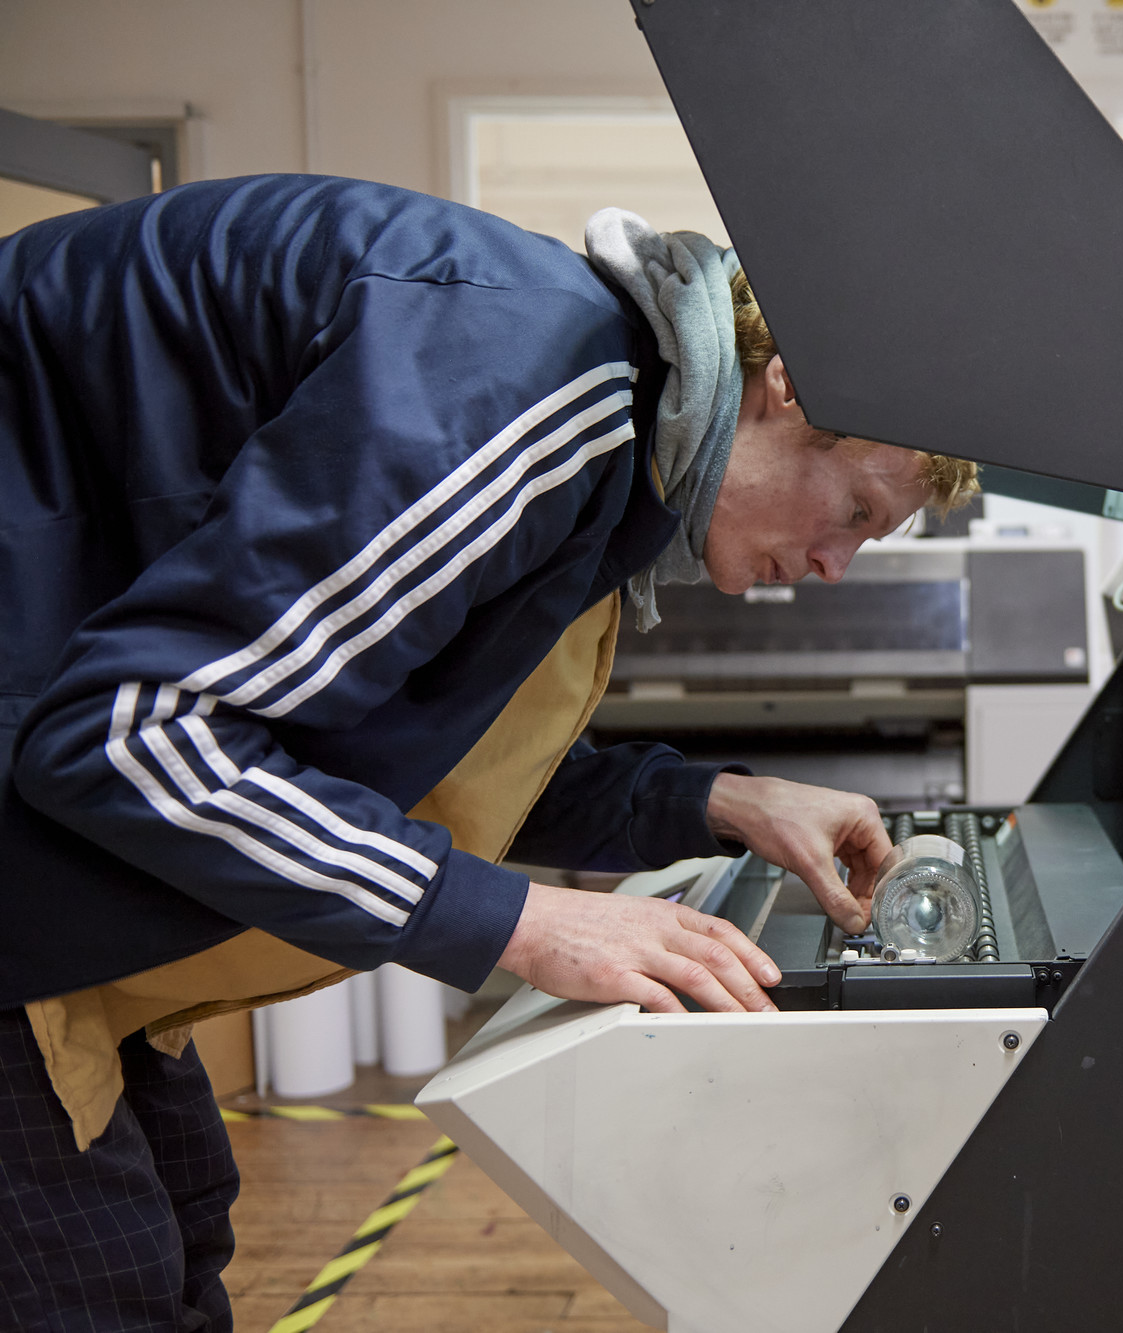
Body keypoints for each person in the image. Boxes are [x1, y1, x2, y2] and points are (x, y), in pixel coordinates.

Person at [0, 174, 977, 1330]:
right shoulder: (522, 385)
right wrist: (529, 924)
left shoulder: (607, 433)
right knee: (97, 1283)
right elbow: (133, 735)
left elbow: (404, 752)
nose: (832, 566)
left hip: (60, 856)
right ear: (788, 387)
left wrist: (721, 801)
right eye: (855, 511)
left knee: (182, 1223)